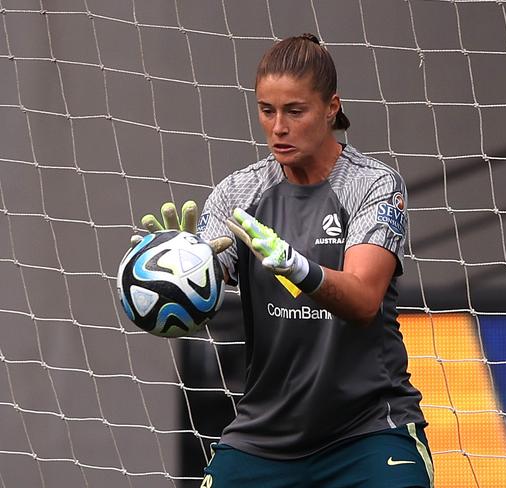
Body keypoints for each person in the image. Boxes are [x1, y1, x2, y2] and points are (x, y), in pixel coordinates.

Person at [143, 33, 433, 488]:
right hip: (263, 437)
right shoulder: (238, 193)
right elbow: (202, 307)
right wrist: (176, 267)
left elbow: (363, 301)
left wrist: (295, 266)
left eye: (295, 111)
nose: (278, 127)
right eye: (267, 110)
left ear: (331, 108)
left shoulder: (373, 185)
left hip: (369, 434)